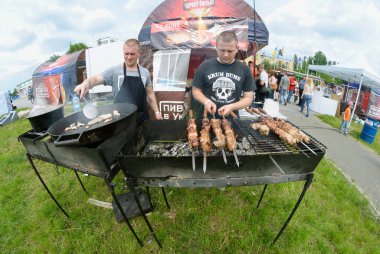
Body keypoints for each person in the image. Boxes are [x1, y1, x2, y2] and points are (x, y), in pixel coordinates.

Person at [74, 39, 162, 123]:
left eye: (132, 54)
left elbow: (150, 93)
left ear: (139, 53)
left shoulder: (144, 72)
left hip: (141, 117)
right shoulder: (115, 71)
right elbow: (96, 79)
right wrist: (86, 83)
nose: (129, 57)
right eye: (126, 53)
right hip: (121, 119)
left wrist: (157, 112)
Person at [192, 31, 255, 119]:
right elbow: (195, 91)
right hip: (205, 118)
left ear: (237, 48)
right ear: (216, 47)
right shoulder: (204, 66)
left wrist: (232, 106)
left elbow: (248, 98)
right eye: (222, 50)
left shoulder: (244, 69)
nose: (226, 54)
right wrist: (206, 102)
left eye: (230, 51)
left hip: (231, 119)